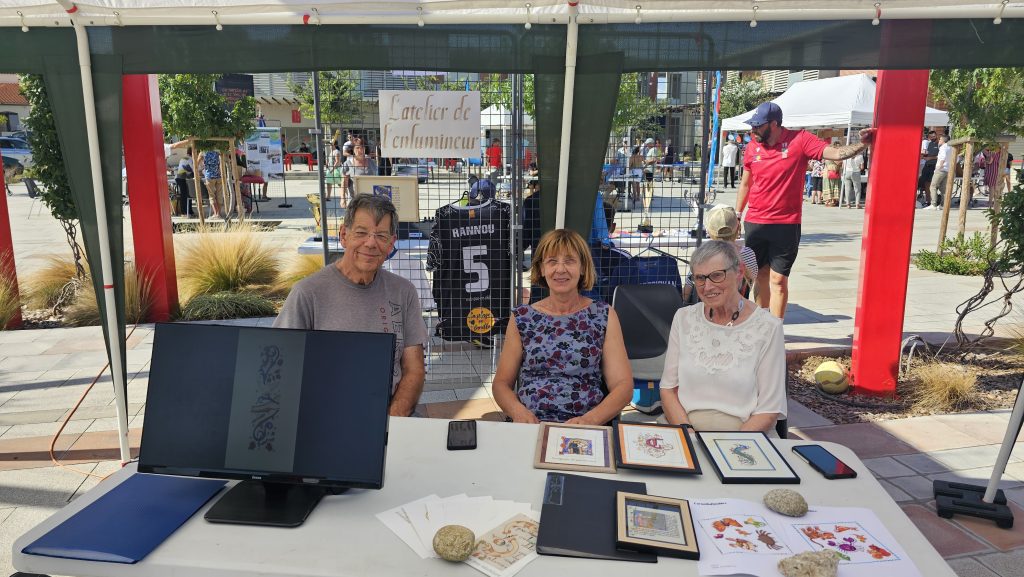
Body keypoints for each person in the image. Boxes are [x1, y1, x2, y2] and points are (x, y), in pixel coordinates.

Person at [274, 194, 428, 417]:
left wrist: (390, 421)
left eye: (381, 236)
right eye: (361, 233)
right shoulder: (308, 294)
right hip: (326, 414)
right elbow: (281, 368)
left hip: (391, 413)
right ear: (344, 236)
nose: (371, 243)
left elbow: (414, 369)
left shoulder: (404, 291)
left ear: (391, 244)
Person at [736, 101, 875, 319]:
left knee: (778, 280)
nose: (753, 130)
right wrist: (737, 214)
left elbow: (837, 154)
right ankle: (761, 324)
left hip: (785, 224)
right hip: (755, 222)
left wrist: (863, 144)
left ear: (774, 124)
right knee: (760, 276)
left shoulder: (800, 140)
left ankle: (775, 328)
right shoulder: (752, 147)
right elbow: (746, 183)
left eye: (758, 125)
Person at [492, 229, 633, 424]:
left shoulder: (603, 315)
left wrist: (589, 421)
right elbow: (501, 384)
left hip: (585, 426)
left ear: (583, 267)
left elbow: (623, 385)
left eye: (569, 261)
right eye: (552, 261)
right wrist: (518, 412)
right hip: (532, 424)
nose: (560, 269)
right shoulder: (522, 318)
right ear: (542, 269)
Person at [660, 240, 786, 433]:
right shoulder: (684, 318)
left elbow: (768, 410)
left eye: (717, 275)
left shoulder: (768, 327)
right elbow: (668, 390)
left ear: (739, 273)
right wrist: (688, 435)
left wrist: (732, 446)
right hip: (684, 427)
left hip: (746, 435)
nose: (707, 286)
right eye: (700, 278)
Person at [682, 205, 758, 303]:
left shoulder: (702, 256)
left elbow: (686, 293)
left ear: (709, 232)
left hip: (707, 310)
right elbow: (750, 283)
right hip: (738, 308)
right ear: (738, 227)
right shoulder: (749, 254)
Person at [926, 134, 951, 210]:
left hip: (941, 169)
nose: (939, 140)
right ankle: (943, 205)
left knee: (933, 186)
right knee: (943, 189)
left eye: (940, 139)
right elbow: (957, 159)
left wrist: (940, 166)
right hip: (948, 170)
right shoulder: (951, 148)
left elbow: (942, 157)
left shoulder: (943, 147)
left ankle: (933, 204)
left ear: (943, 140)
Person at [202, 149, 223, 219]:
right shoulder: (218, 151)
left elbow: (196, 163)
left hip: (209, 176)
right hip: (218, 176)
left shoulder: (203, 152)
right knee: (219, 195)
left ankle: (216, 214)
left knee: (212, 196)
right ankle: (218, 214)